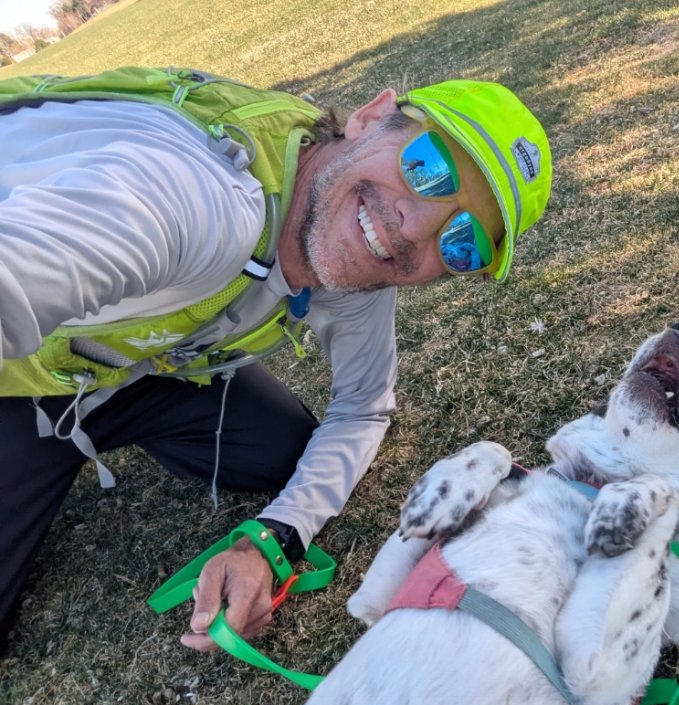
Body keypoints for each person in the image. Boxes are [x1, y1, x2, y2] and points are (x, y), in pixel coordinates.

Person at [0, 68, 552, 653]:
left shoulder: (352, 247)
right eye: (427, 168)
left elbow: (363, 408)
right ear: (370, 117)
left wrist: (275, 538)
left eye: (462, 242)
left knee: (280, 451)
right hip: (21, 381)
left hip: (143, 366)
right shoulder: (199, 198)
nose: (415, 229)